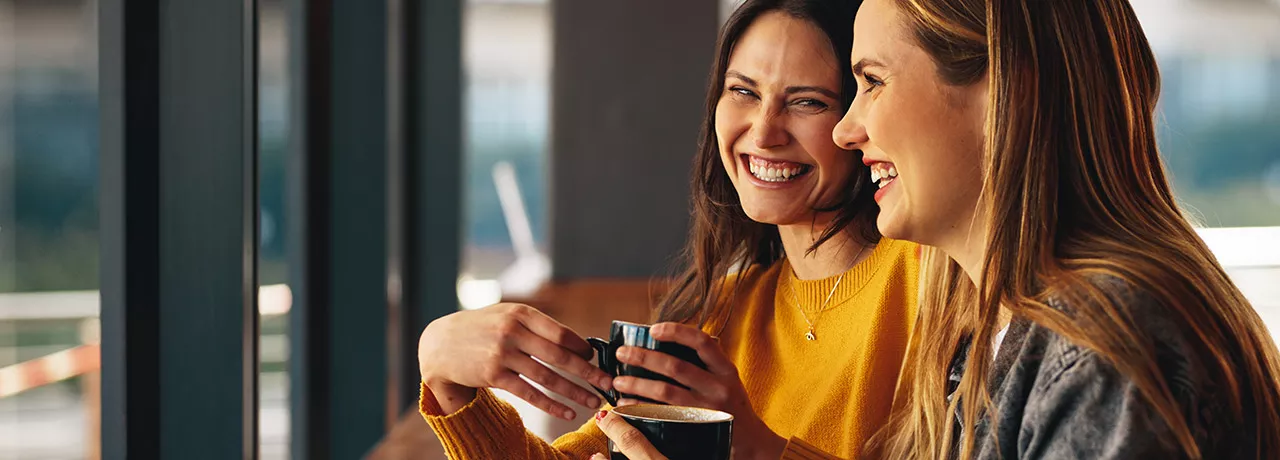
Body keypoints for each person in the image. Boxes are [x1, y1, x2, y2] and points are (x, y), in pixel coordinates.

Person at [415, 0, 921, 458]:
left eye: (808, 101)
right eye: (742, 91)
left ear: (859, 117)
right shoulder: (721, 310)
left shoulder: (931, 278)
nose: (764, 132)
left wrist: (752, 446)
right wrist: (445, 376)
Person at [828, 0, 1280, 458]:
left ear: (1002, 89)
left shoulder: (1104, 350)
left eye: (873, 82)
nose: (843, 131)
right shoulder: (990, 327)